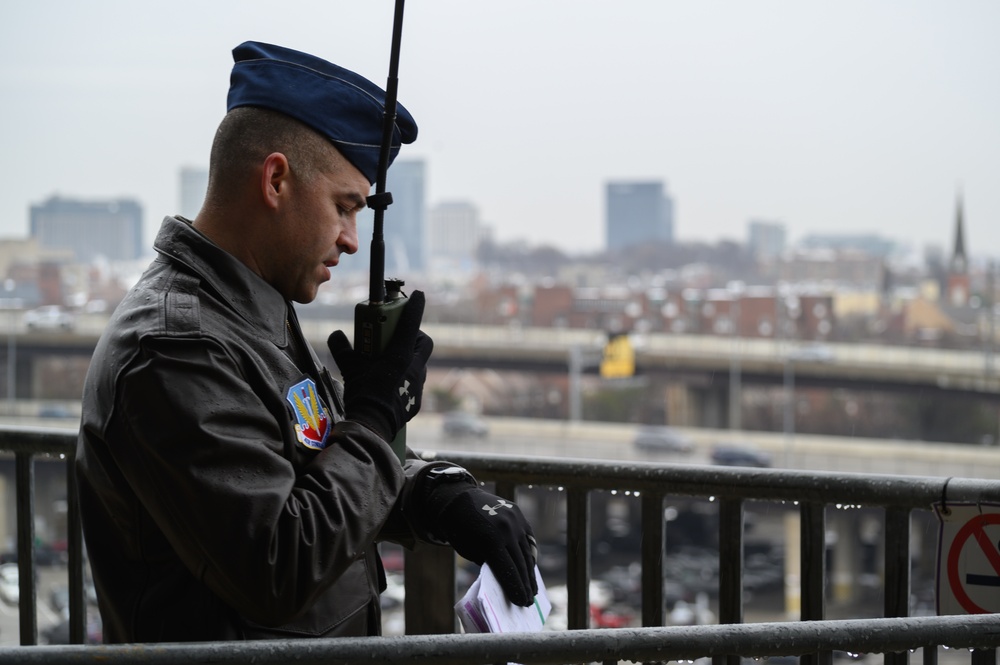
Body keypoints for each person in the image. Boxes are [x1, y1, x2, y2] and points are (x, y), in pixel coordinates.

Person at [75, 41, 537, 643]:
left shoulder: (249, 313)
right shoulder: (175, 349)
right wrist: (372, 419)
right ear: (275, 180)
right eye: (345, 207)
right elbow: (279, 563)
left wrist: (433, 495)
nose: (350, 239)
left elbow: (310, 477)